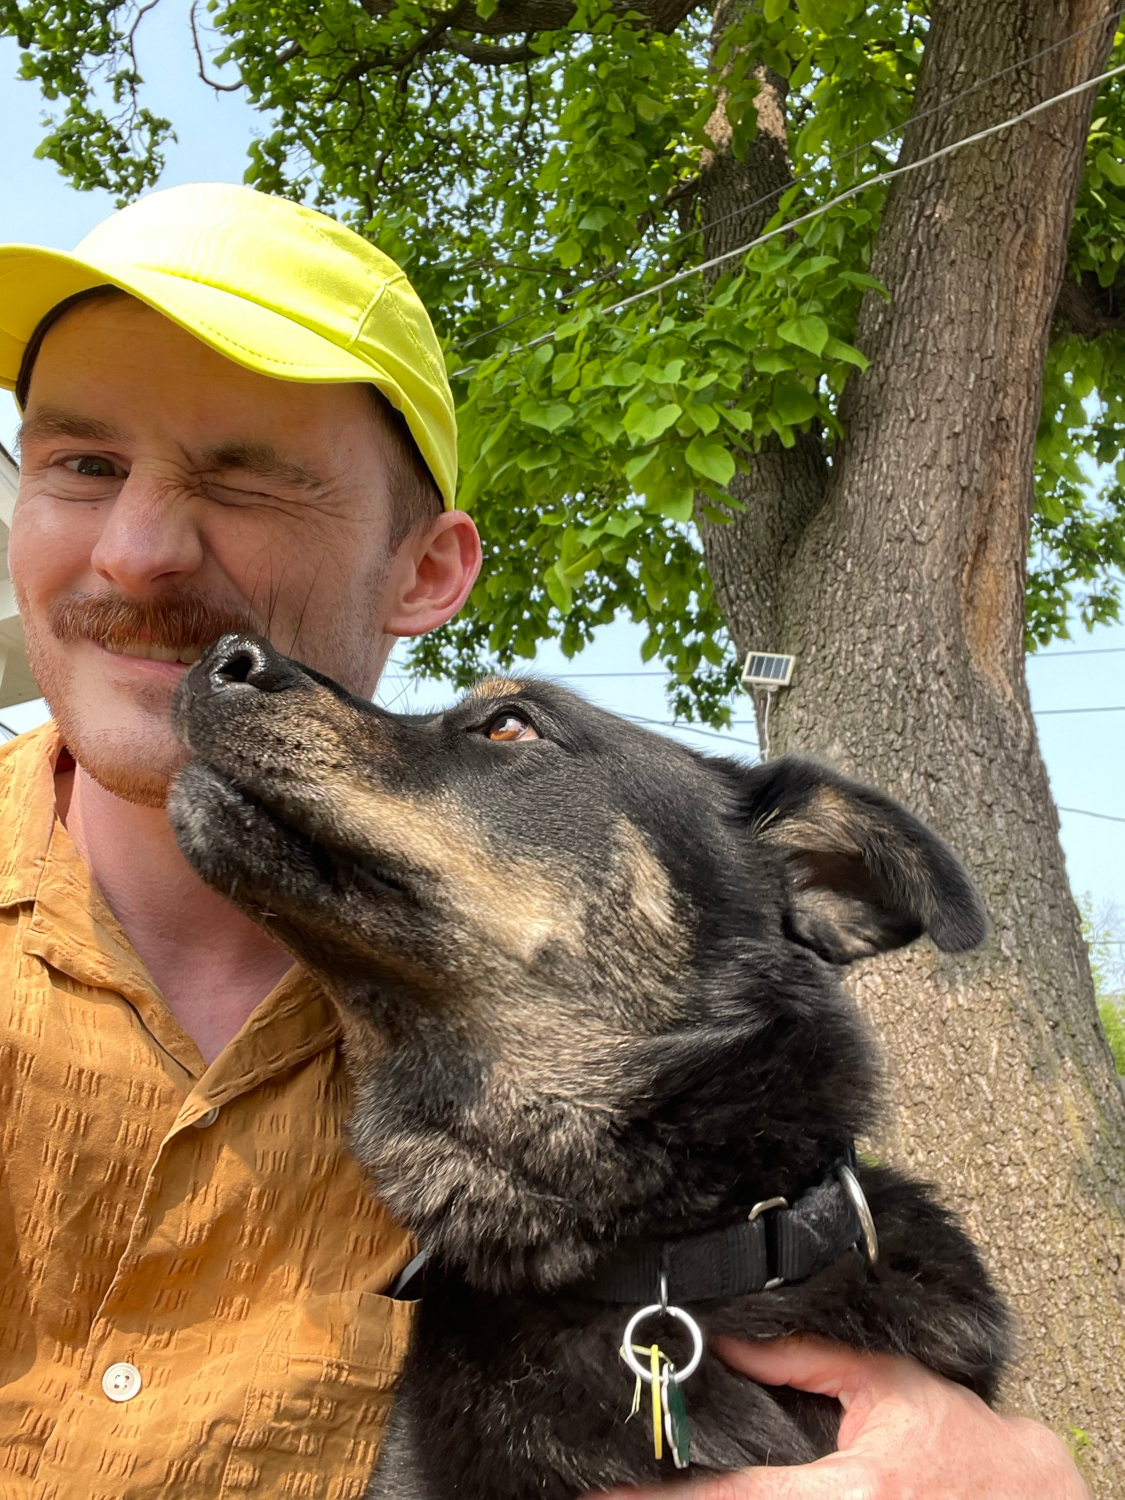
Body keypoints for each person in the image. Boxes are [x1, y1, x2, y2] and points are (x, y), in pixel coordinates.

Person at [0, 184, 1089, 1500]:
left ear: (429, 572)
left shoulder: (594, 1144)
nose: (135, 551)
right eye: (80, 465)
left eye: (245, 475)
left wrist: (1015, 1478)